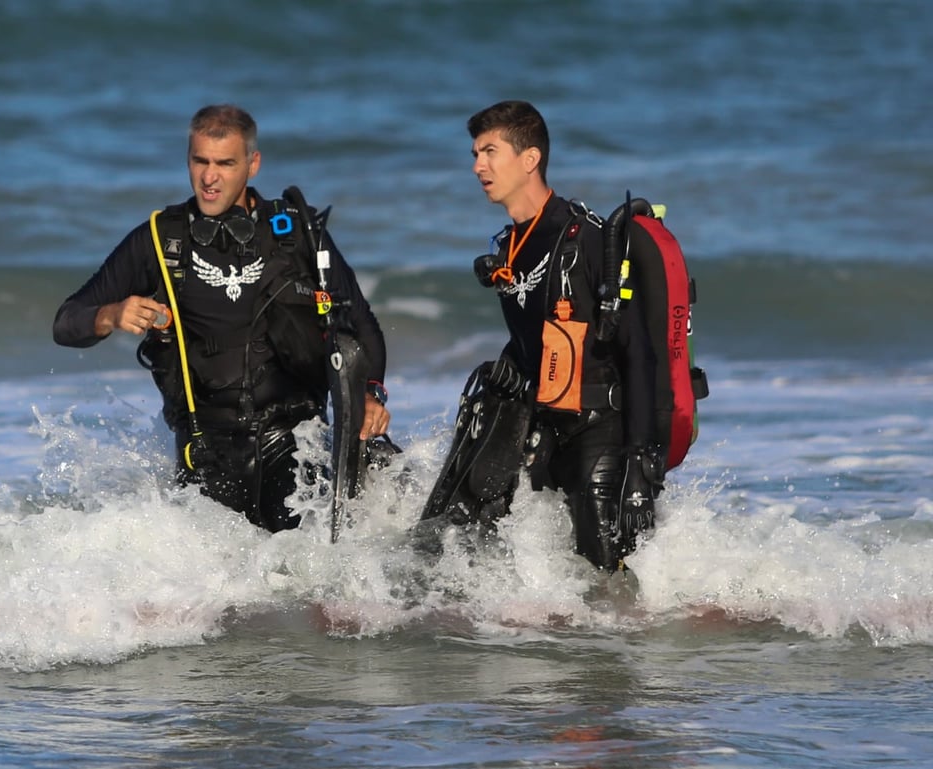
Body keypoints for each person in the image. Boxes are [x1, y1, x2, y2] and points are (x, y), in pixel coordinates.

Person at [53, 104, 391, 532]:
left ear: (252, 164)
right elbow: (66, 323)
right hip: (204, 452)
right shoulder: (160, 239)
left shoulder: (298, 235)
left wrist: (371, 395)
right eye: (200, 162)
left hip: (295, 443)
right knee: (212, 597)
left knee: (300, 586)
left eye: (225, 163)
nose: (209, 178)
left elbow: (361, 324)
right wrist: (111, 314)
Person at [418, 100, 659, 572]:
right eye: (474, 154)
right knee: (511, 565)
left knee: (607, 580)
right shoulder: (510, 243)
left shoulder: (587, 239)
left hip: (600, 431)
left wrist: (641, 470)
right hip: (543, 431)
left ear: (529, 159)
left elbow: (641, 354)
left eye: (489, 152)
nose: (477, 166)